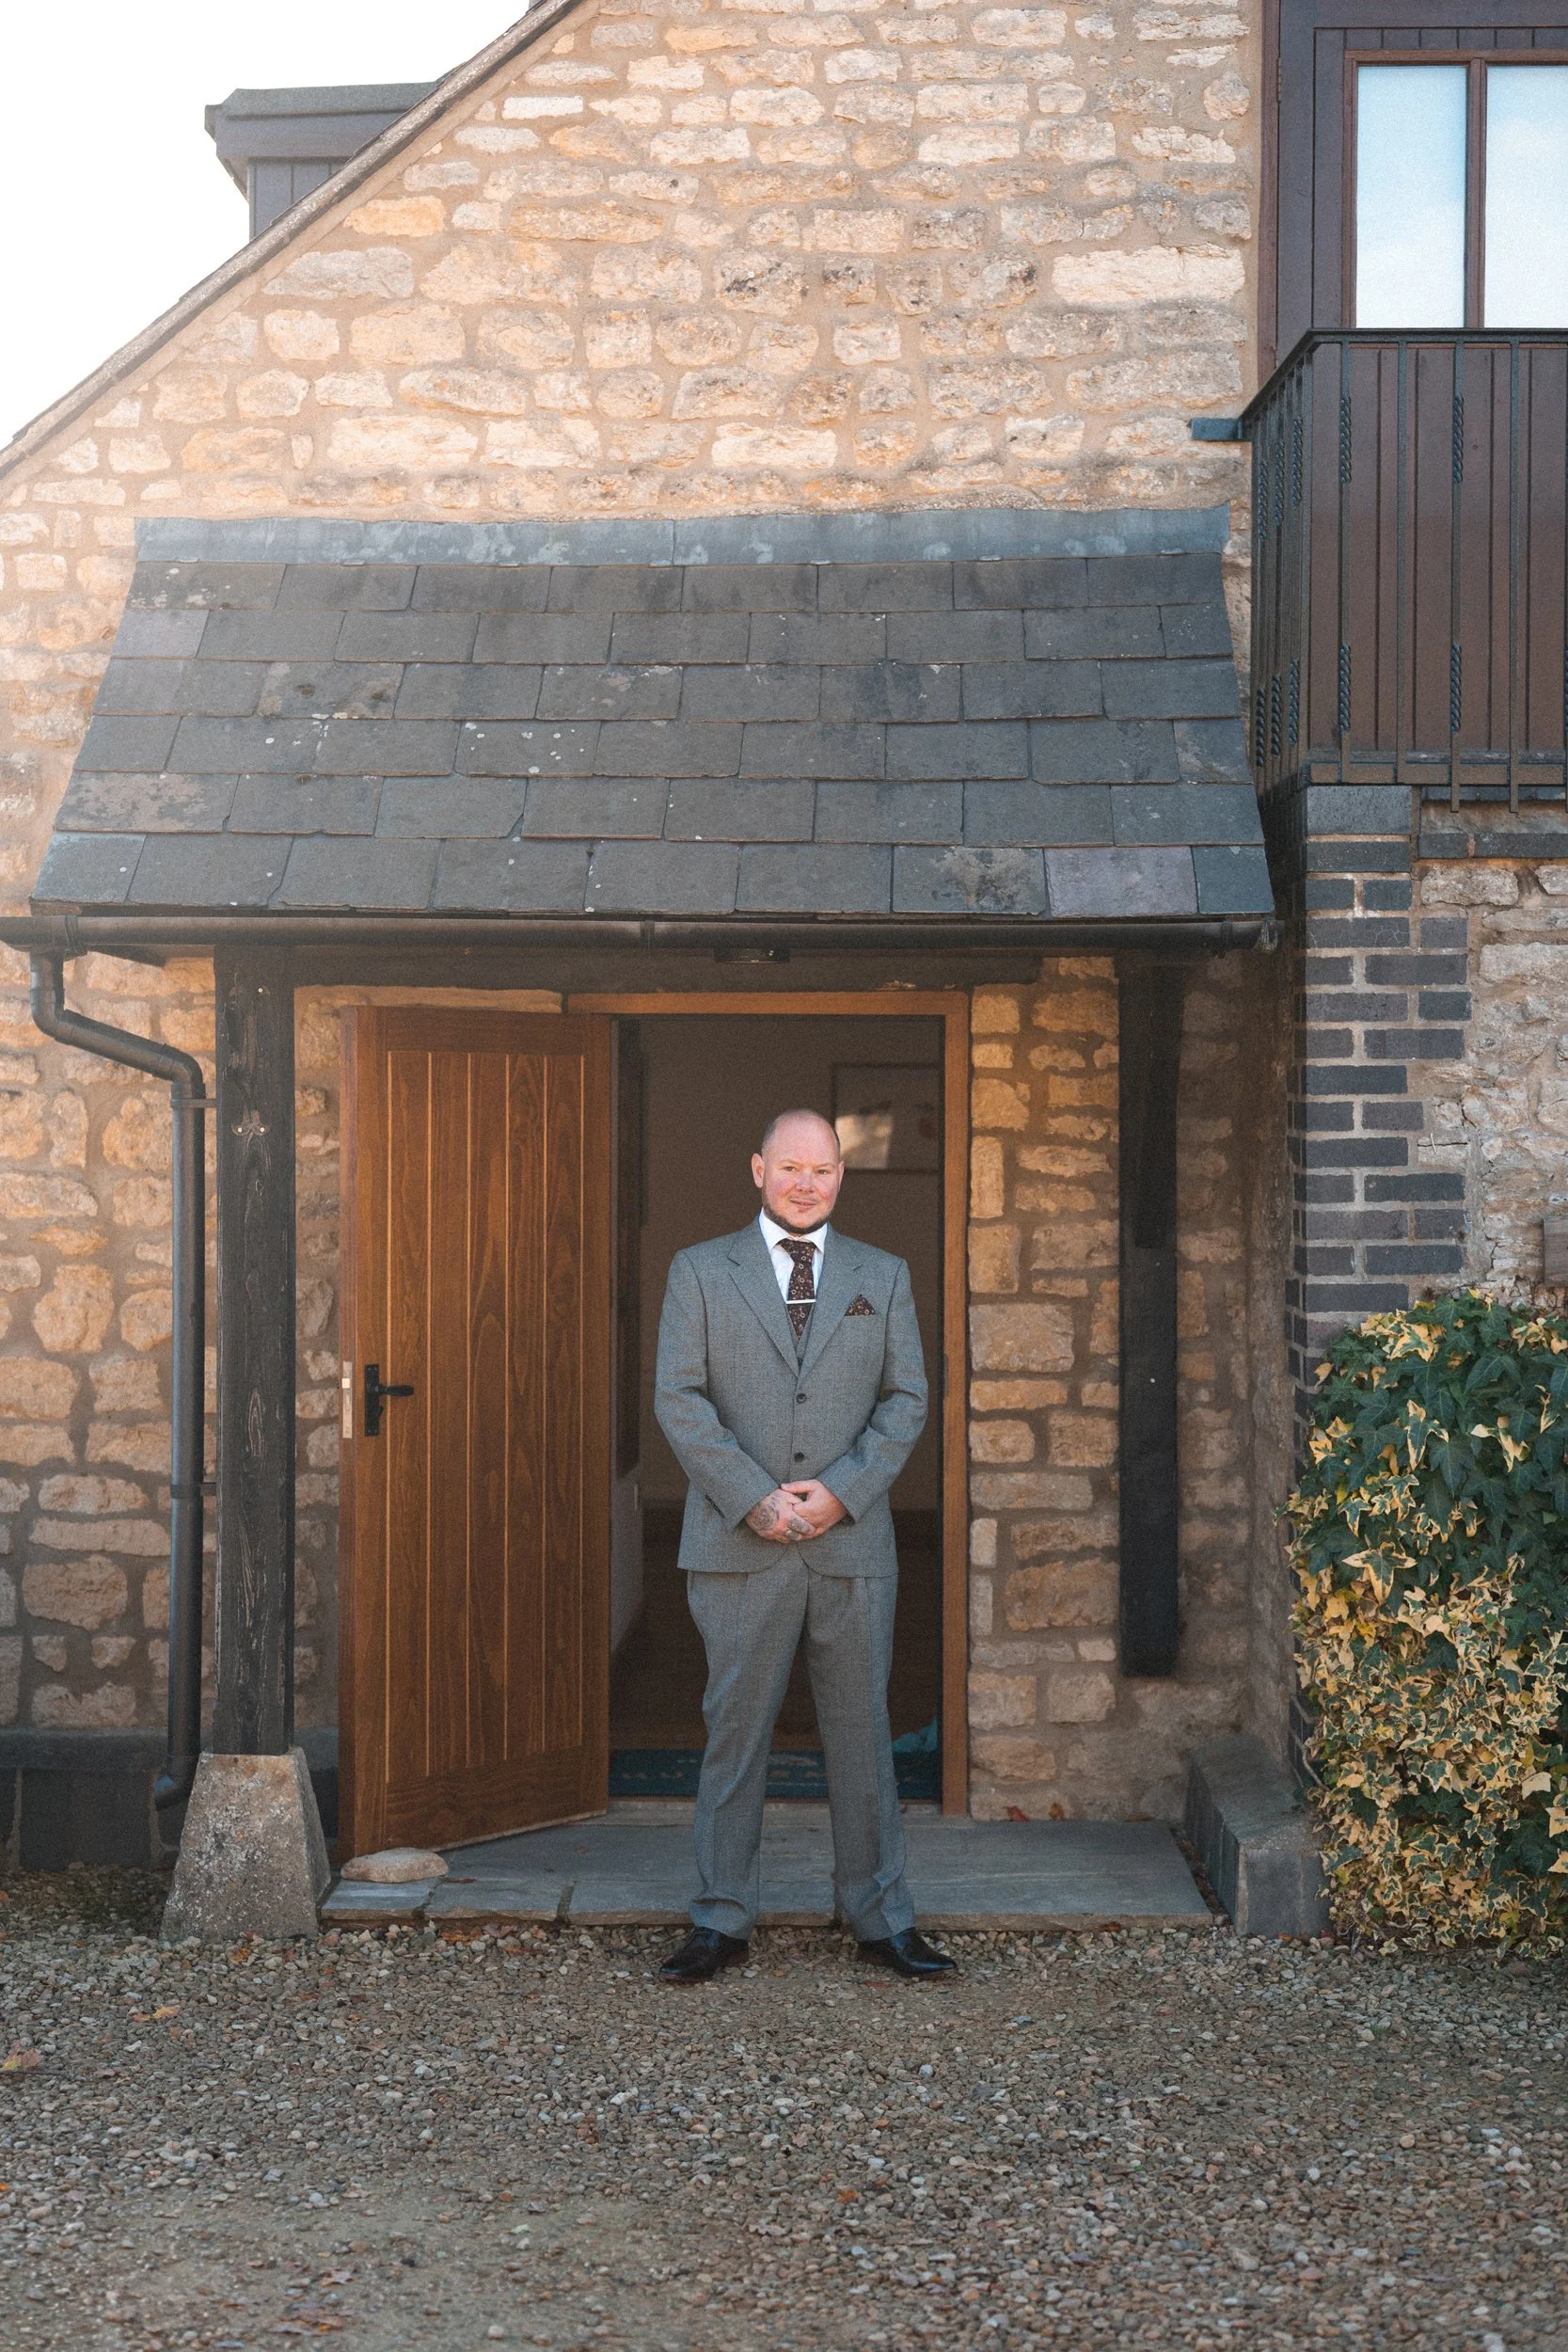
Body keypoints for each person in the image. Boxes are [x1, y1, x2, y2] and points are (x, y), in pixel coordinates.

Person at [652, 1106, 957, 1986]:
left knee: (862, 1734)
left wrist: (843, 1493)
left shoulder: (882, 1275)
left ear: (839, 1177)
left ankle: (880, 1917)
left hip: (849, 1543)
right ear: (757, 1169)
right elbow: (679, 1398)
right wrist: (752, 1496)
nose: (804, 1183)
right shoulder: (699, 1271)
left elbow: (905, 1400)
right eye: (789, 1167)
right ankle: (720, 1920)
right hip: (735, 1544)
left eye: (821, 1170)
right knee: (734, 1734)